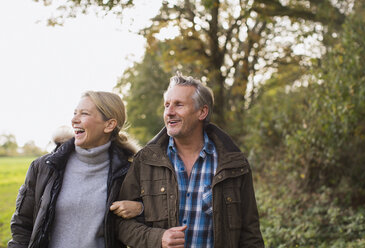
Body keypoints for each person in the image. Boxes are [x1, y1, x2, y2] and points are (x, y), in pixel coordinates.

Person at [115, 74, 265, 247]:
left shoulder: (234, 165)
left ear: (202, 112)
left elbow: (250, 234)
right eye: (167, 105)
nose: (169, 112)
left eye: (179, 105)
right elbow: (120, 224)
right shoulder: (145, 161)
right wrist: (158, 239)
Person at [8, 91, 143, 248]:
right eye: (74, 113)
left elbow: (152, 222)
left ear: (109, 125)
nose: (74, 120)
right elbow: (21, 225)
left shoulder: (128, 173)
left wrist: (140, 209)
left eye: (84, 114)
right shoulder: (44, 167)